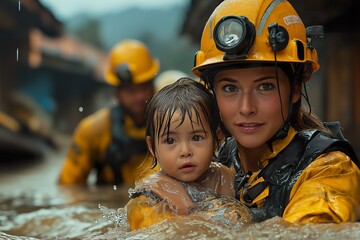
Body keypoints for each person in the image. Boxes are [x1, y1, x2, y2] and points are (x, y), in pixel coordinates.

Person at [190, 0, 360, 223]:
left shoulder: (329, 170)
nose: (246, 108)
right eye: (230, 88)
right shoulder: (218, 159)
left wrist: (190, 212)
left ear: (295, 88)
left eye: (265, 86)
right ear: (212, 93)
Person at [125, 78, 251, 230]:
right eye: (170, 141)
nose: (185, 152)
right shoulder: (148, 198)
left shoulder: (230, 178)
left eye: (196, 138)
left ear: (217, 137)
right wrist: (187, 210)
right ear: (152, 147)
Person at [58, 39, 160, 186]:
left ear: (153, 85)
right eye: (131, 90)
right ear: (117, 92)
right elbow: (68, 187)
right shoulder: (92, 130)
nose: (139, 97)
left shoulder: (171, 124)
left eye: (143, 87)